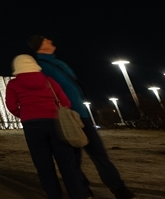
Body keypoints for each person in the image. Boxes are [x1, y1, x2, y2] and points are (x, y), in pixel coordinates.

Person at [30, 35, 137, 199]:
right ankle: (83, 190)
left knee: (99, 154)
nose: (50, 41)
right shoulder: (41, 66)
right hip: (67, 118)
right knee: (73, 160)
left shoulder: (58, 63)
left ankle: (118, 188)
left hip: (83, 115)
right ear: (40, 46)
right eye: (46, 40)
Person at [6, 54, 89, 199]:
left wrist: (25, 114)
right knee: (67, 164)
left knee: (43, 164)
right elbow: (65, 102)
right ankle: (78, 195)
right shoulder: (48, 81)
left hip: (32, 126)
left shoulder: (13, 84)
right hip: (55, 122)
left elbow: (11, 106)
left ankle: (54, 195)